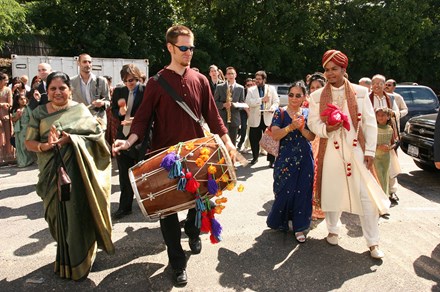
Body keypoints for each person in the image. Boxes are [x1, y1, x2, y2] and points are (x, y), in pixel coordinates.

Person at [112, 25, 235, 286]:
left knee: (196, 201)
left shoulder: (200, 80)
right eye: (183, 48)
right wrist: (129, 141)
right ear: (170, 48)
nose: (189, 52)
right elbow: (142, 120)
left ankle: (192, 231)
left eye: (191, 47)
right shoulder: (156, 83)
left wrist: (228, 143)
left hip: (197, 155)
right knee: (168, 212)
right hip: (165, 159)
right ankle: (177, 263)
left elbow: (213, 117)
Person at [25, 71, 114, 280]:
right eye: (53, 89)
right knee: (56, 218)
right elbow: (28, 142)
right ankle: (65, 256)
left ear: (70, 90)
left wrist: (72, 139)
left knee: (78, 214)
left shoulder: (81, 111)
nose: (57, 93)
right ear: (47, 91)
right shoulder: (38, 114)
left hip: (79, 175)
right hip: (50, 175)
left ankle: (80, 259)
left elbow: (97, 138)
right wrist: (45, 145)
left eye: (62, 88)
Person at [308, 49, 388, 259]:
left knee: (367, 198)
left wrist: (369, 150)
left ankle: (373, 242)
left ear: (344, 69)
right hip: (331, 151)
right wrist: (327, 130)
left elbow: (370, 122)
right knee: (331, 192)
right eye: (327, 70)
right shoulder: (317, 96)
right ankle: (332, 230)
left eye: (334, 69)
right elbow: (313, 122)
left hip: (356, 151)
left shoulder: (360, 92)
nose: (330, 73)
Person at [266, 81, 315, 243]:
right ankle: (281, 221)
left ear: (304, 97)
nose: (294, 98)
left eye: (298, 95)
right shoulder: (280, 113)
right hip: (285, 158)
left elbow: (312, 137)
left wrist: (301, 129)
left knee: (303, 192)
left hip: (305, 158)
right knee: (284, 190)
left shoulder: (308, 113)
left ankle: (300, 226)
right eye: (291, 95)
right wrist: (290, 127)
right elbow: (275, 135)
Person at [111, 64, 145, 219]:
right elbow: (113, 111)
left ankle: (148, 204)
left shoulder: (145, 91)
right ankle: (125, 207)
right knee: (124, 175)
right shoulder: (119, 91)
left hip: (141, 139)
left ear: (137, 77)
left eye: (131, 80)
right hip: (122, 136)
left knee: (142, 173)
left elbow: (151, 114)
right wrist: (120, 112)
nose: (129, 83)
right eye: (125, 80)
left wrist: (134, 119)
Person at [370, 74, 400, 206]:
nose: (376, 85)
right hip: (373, 133)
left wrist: (387, 113)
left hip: (388, 133)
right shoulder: (367, 97)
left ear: (384, 84)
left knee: (391, 165)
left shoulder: (391, 98)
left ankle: (392, 191)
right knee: (374, 167)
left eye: (379, 83)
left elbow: (397, 114)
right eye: (374, 83)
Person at [246, 70, 279, 167]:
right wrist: (261, 100)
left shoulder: (271, 89)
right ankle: (255, 157)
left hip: (268, 118)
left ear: (264, 79)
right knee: (254, 139)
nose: (257, 81)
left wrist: (273, 108)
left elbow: (276, 101)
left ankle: (271, 161)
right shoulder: (251, 90)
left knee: (270, 140)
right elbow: (248, 102)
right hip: (255, 119)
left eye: (259, 79)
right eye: (256, 79)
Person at [71, 53, 111, 129]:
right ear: (78, 63)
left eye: (90, 62)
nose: (88, 64)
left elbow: (108, 100)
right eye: (84, 62)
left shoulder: (101, 81)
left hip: (98, 120)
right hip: (80, 120)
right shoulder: (71, 82)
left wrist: (102, 103)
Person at [214, 66, 245, 146]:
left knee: (233, 142)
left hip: (234, 118)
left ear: (236, 75)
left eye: (232, 73)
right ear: (225, 75)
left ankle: (232, 157)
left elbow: (242, 102)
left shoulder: (240, 88)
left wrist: (235, 105)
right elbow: (214, 102)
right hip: (223, 118)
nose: (231, 75)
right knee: (222, 142)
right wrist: (224, 105)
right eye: (228, 74)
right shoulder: (219, 87)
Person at [373, 107, 397, 194]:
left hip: (386, 157)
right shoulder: (373, 128)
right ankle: (380, 197)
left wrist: (390, 147)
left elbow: (395, 142)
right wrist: (378, 146)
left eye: (383, 115)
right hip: (375, 157)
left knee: (385, 176)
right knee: (378, 176)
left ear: (388, 117)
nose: (380, 117)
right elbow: (368, 141)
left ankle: (385, 196)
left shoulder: (390, 129)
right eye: (378, 115)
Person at [11, 89, 35, 167]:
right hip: (18, 130)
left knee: (24, 145)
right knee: (19, 146)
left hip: (26, 129)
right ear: (17, 101)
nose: (23, 100)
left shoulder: (27, 108)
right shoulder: (15, 110)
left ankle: (28, 160)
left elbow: (32, 118)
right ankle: (22, 161)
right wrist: (18, 116)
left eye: (24, 99)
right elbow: (13, 120)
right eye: (21, 99)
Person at [0, 73, 15, 163]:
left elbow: (10, 103)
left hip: (6, 115)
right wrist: (2, 104)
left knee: (8, 134)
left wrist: (7, 105)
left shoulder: (8, 90)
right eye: (5, 80)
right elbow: (4, 104)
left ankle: (10, 156)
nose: (7, 81)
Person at [237, 78, 254, 151]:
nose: (250, 86)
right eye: (248, 85)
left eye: (251, 85)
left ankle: (249, 145)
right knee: (244, 127)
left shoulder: (254, 91)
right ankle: (240, 143)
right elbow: (242, 102)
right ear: (245, 86)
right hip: (243, 111)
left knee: (252, 129)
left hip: (253, 111)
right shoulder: (243, 91)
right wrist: (248, 112)